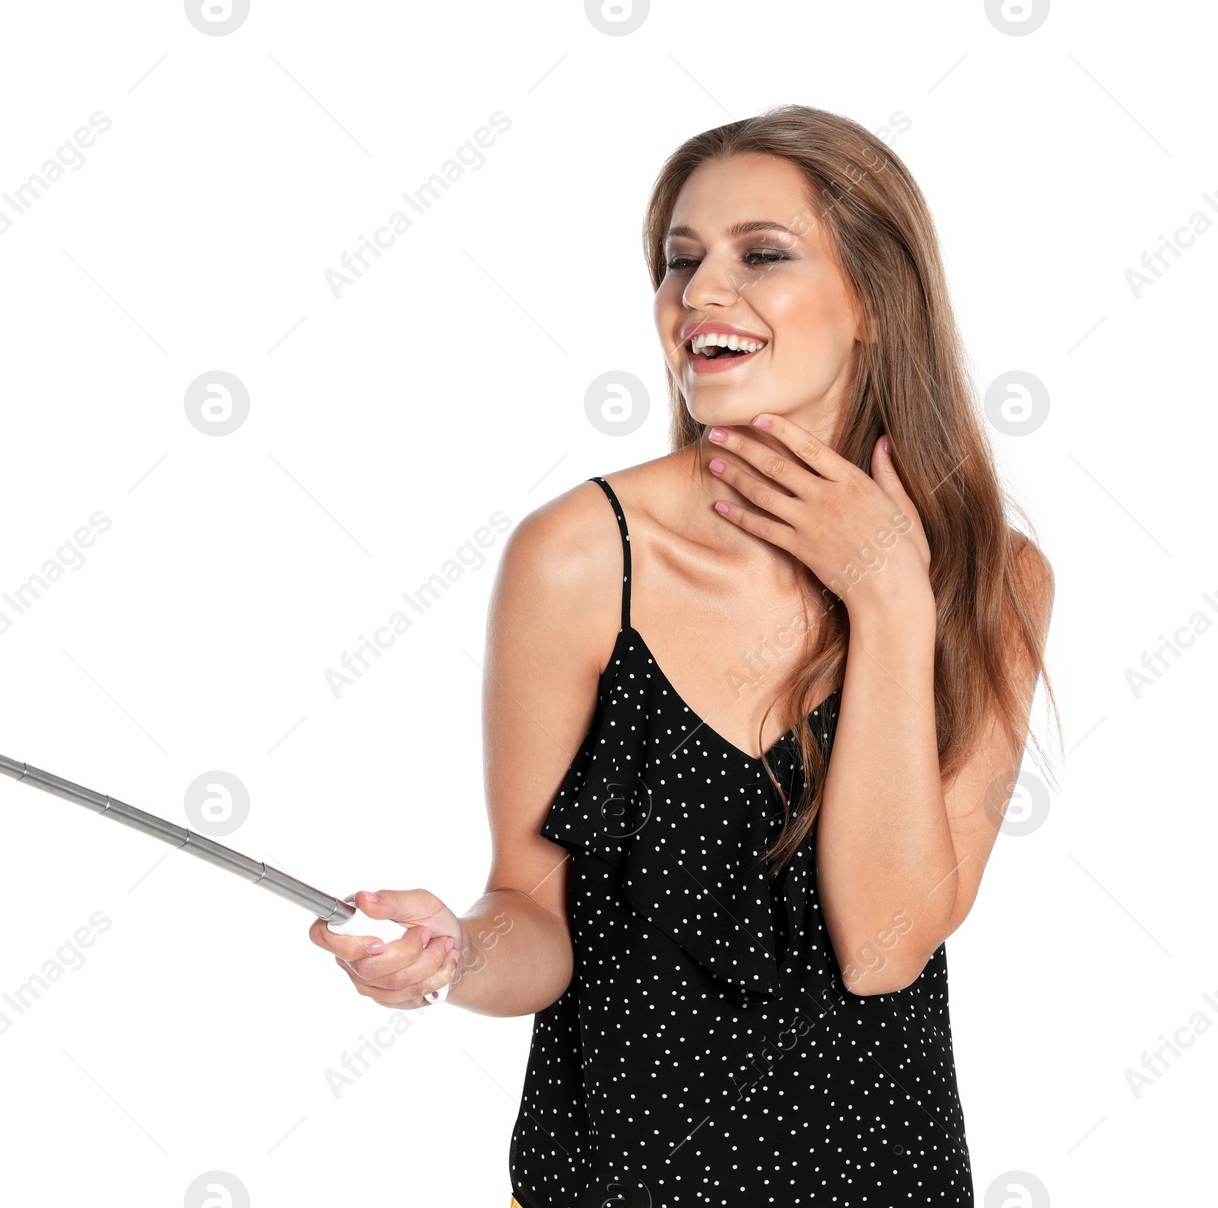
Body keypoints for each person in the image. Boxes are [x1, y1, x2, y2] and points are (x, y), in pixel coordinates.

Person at [308, 103, 1058, 1207]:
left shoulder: (992, 578)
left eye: (760, 254)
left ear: (872, 302)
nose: (699, 293)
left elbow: (883, 950)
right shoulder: (579, 556)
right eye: (678, 261)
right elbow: (533, 914)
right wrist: (457, 950)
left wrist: (890, 598)